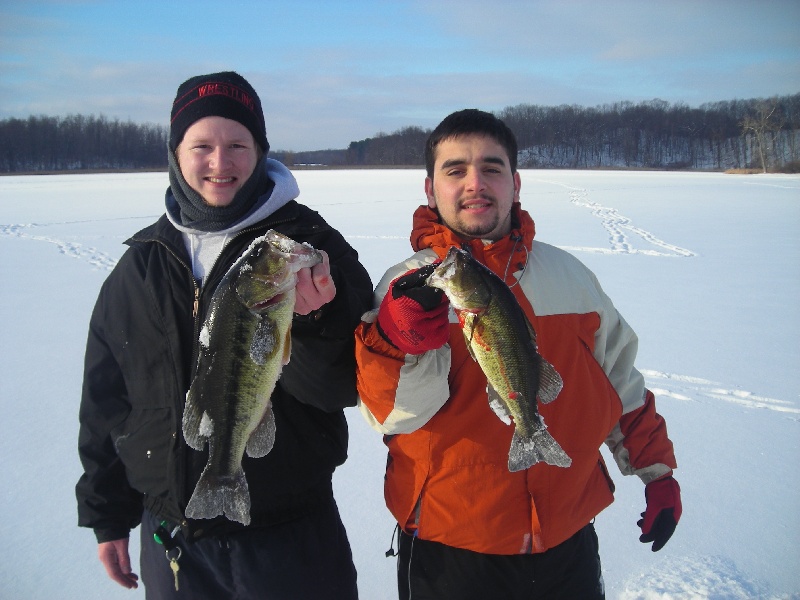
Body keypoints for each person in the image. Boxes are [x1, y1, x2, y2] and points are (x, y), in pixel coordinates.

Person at [354, 109, 681, 599]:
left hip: (567, 539)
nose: (475, 183)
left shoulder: (570, 277)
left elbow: (620, 384)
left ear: (515, 182)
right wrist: (400, 342)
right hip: (450, 547)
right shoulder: (405, 285)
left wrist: (658, 473)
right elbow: (389, 415)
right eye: (455, 170)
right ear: (429, 190)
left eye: (491, 168)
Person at [76, 71, 373, 599]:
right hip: (171, 538)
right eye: (202, 146)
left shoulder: (309, 247)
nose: (220, 162)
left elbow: (344, 388)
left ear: (260, 151)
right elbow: (107, 400)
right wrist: (108, 515)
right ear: (176, 152)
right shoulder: (142, 264)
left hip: (288, 539)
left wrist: (313, 323)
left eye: (237, 144)